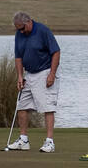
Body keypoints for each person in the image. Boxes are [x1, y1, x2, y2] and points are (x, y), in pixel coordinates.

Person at [8, 11, 61, 153]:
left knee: (47, 107)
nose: (20, 31)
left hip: (45, 72)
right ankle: (23, 140)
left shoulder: (43, 31)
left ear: (28, 22)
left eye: (22, 28)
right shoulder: (19, 34)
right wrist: (20, 76)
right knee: (22, 106)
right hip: (28, 75)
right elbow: (18, 57)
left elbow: (56, 52)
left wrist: (52, 74)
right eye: (18, 29)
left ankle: (50, 142)